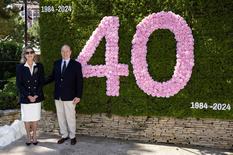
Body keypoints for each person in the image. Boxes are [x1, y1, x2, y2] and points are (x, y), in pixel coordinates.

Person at [45, 44, 83, 145]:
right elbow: (52, 77)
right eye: (63, 51)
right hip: (58, 96)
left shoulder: (76, 65)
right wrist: (41, 82)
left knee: (70, 117)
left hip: (70, 96)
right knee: (60, 116)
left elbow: (79, 81)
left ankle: (72, 136)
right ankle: (64, 135)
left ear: (70, 52)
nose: (65, 53)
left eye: (67, 51)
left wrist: (78, 96)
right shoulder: (57, 63)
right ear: (61, 52)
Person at [16, 46, 44, 146]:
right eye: (27, 53)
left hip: (36, 97)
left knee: (35, 118)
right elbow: (19, 84)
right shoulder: (20, 67)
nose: (29, 54)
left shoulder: (39, 66)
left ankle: (35, 136)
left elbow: (41, 82)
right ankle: (28, 136)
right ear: (24, 55)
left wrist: (36, 95)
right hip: (25, 97)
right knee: (27, 118)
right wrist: (28, 95)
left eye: (31, 52)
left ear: (34, 53)